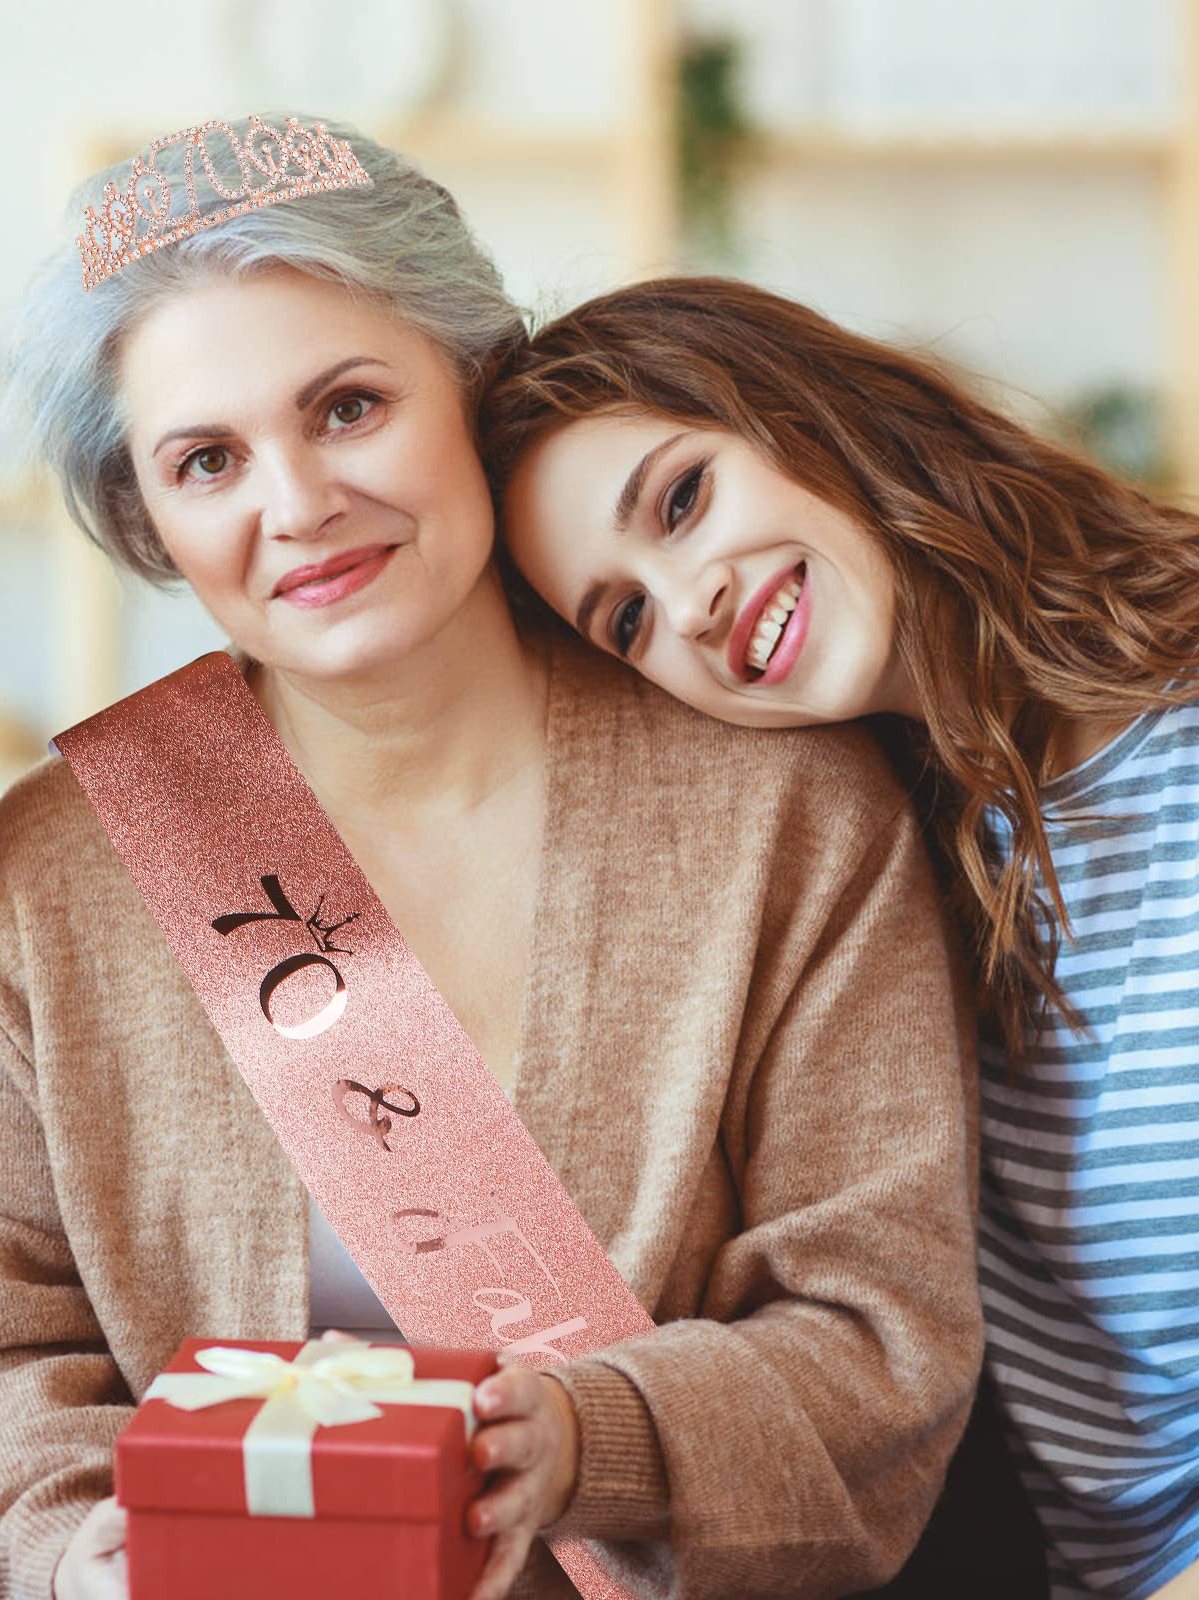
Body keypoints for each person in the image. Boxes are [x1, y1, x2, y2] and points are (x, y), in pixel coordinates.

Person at [0, 120, 984, 1600]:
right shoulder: (69, 862)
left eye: (351, 407)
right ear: (148, 521)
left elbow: (879, 1339)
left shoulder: (786, 807)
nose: (297, 503)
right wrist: (76, 1554)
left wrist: (589, 1436)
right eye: (207, 461)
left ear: (474, 386)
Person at [480, 274, 1199, 1600]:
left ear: (809, 410)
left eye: (681, 499)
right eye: (626, 618)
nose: (688, 605)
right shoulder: (878, 866)